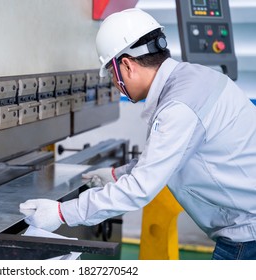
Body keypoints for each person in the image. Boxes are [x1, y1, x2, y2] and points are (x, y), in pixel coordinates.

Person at [19, 8, 256, 260]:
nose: (113, 81)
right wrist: (116, 174)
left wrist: (62, 213)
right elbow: (169, 156)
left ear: (127, 66)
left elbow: (141, 188)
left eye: (111, 73)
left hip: (247, 237)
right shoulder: (195, 79)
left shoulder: (179, 106)